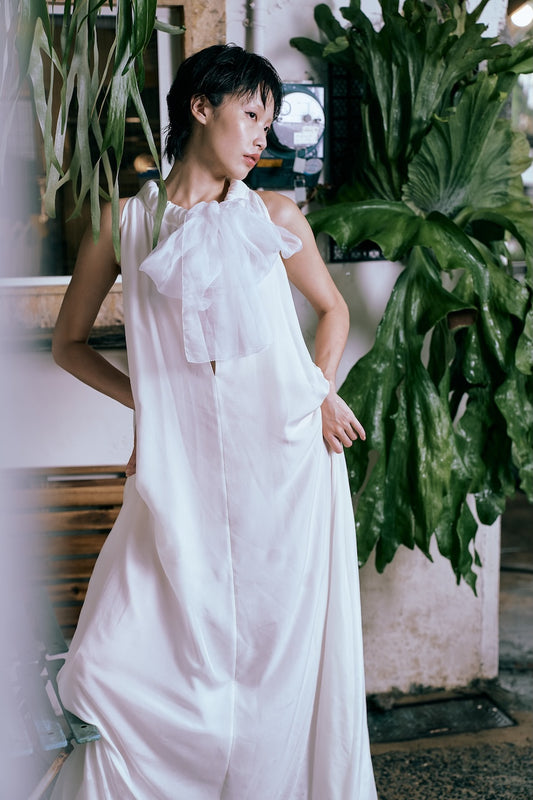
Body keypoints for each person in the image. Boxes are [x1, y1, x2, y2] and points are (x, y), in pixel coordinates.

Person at [50, 44, 377, 799]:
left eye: (269, 119)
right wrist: (152, 406)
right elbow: (70, 346)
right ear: (201, 107)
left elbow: (331, 311)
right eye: (252, 114)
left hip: (288, 468)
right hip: (178, 472)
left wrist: (315, 389)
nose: (264, 134)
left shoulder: (273, 212)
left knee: (277, 659)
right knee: (108, 663)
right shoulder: (123, 222)